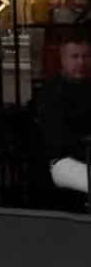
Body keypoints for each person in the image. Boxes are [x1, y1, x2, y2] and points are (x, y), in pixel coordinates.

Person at [37, 30, 91, 200]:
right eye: (75, 57)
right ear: (62, 58)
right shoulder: (51, 93)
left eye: (86, 56)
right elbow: (57, 140)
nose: (81, 62)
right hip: (60, 161)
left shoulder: (87, 89)